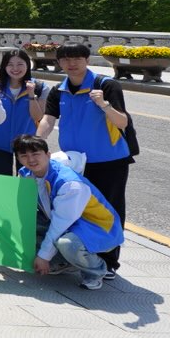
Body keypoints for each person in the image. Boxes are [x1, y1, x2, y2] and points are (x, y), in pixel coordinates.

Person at [37, 42, 135, 272]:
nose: (71, 64)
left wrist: (104, 105)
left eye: (77, 59)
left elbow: (122, 122)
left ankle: (109, 262)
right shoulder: (58, 90)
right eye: (65, 59)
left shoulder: (106, 85)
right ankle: (78, 258)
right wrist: (36, 143)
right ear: (59, 63)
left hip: (108, 162)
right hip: (74, 164)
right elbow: (48, 120)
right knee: (76, 210)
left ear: (87, 60)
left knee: (109, 210)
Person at [14, 135, 123, 290]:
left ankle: (97, 271)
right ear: (18, 158)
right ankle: (66, 262)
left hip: (98, 227)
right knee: (25, 225)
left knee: (68, 244)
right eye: (24, 155)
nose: (30, 159)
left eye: (36, 154)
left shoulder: (69, 183)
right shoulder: (26, 174)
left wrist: (43, 256)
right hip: (68, 222)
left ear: (48, 155)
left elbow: (60, 224)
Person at [0, 47, 45, 177]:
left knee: (27, 182)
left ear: (27, 65)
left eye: (20, 64)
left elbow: (37, 116)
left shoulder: (39, 87)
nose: (15, 68)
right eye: (10, 64)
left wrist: (31, 95)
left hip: (28, 144)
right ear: (4, 66)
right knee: (0, 181)